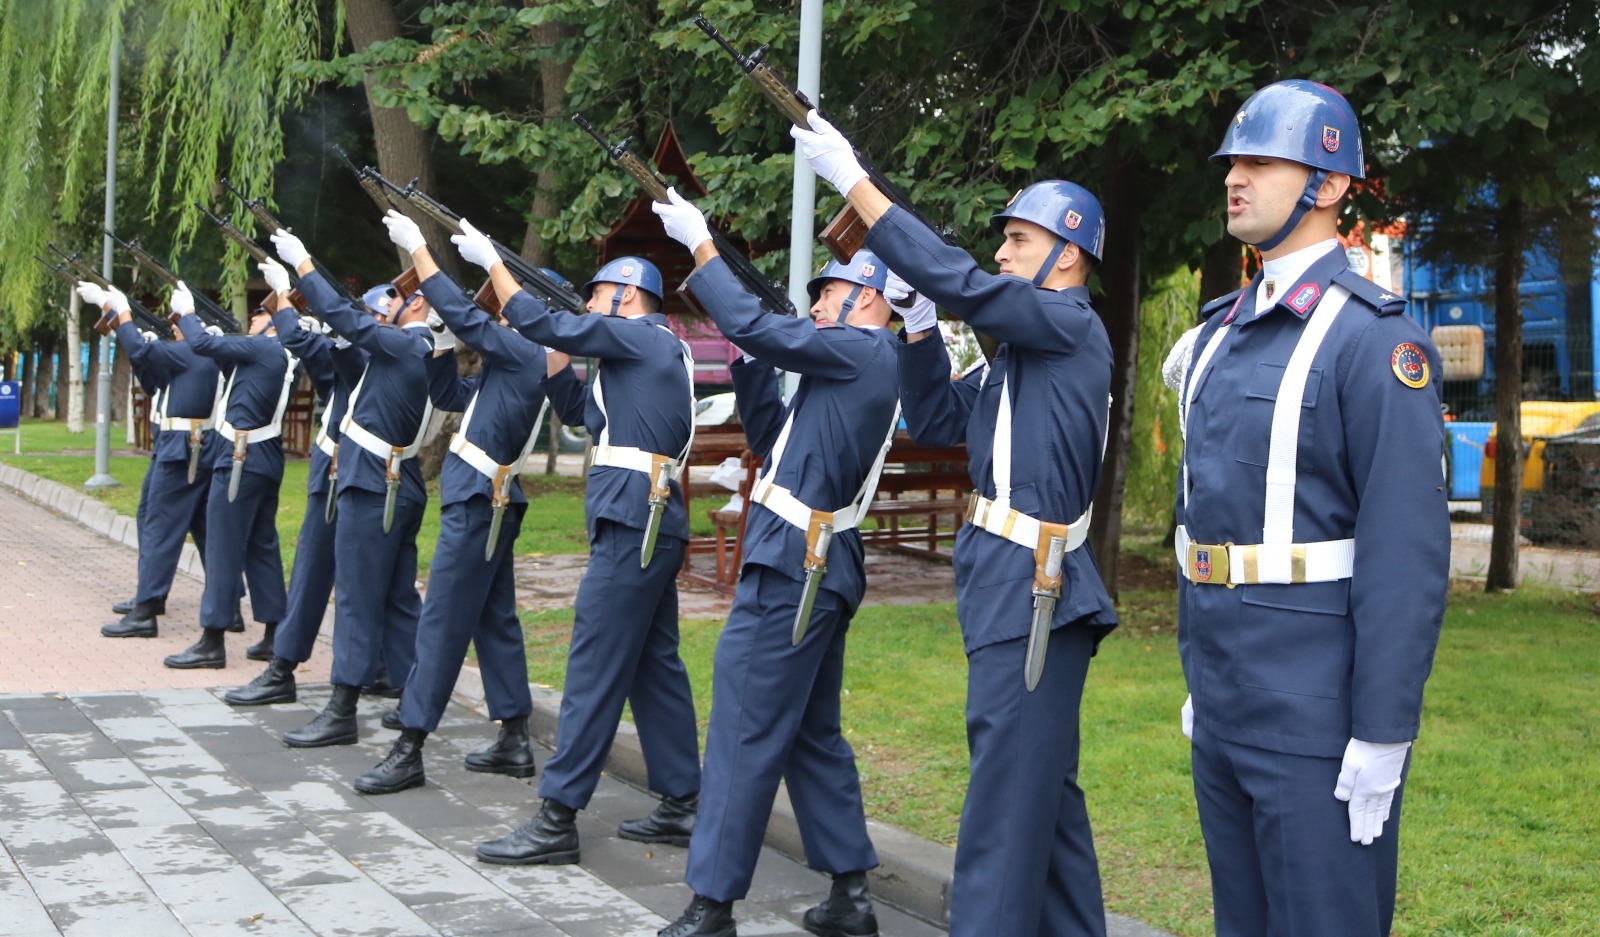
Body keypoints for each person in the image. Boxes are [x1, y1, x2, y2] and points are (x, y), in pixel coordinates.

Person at [794, 112, 1120, 936]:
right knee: (1041, 792)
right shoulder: (1022, 352)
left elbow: (971, 285)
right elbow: (939, 417)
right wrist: (914, 323)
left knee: (1003, 812)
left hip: (1034, 586)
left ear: (1067, 253)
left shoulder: (1069, 325)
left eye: (1017, 238)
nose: (1003, 253)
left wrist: (857, 189)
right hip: (1004, 578)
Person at [1170, 79, 1449, 937]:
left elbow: (1406, 552)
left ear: (1328, 185)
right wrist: (1202, 683)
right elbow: (1212, 518)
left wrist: (1383, 730)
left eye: (1261, 162)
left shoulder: (1375, 339)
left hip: (1315, 717)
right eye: (1232, 162)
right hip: (1224, 698)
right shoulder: (1221, 331)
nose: (1235, 178)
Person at [648, 188, 907, 937]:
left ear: (867, 299)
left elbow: (762, 323)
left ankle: (713, 902)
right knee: (806, 731)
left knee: (742, 726)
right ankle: (850, 891)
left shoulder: (863, 348)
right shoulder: (849, 366)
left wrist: (704, 246)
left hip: (796, 564)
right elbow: (775, 432)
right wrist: (752, 351)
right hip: (812, 561)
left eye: (827, 293)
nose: (817, 306)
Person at [465, 229, 701, 867]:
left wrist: (495, 261)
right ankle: (682, 800)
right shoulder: (636, 357)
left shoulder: (645, 337)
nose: (590, 305)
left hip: (635, 523)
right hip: (641, 520)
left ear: (627, 295)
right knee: (654, 667)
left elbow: (554, 324)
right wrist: (554, 356)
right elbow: (581, 413)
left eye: (598, 295)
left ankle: (558, 815)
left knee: (594, 668)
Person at [351, 210, 551, 794]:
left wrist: (421, 253)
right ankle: (514, 735)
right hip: (488, 499)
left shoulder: (525, 350)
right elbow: (452, 392)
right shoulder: (517, 359)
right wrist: (439, 345)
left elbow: (467, 315)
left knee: (440, 622)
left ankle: (410, 745)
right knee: (494, 619)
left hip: (479, 503)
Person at [271, 229, 432, 748]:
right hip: (391, 485)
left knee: (359, 600)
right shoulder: (409, 347)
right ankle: (412, 699)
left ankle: (342, 709)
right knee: (397, 599)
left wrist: (302, 264)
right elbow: (344, 338)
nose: (383, 308)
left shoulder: (407, 344)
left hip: (374, 486)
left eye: (394, 300)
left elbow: (346, 322)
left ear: (418, 307)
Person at [224, 268, 372, 706]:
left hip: (354, 475)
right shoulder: (365, 352)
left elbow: (312, 342)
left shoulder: (377, 351)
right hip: (341, 470)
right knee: (333, 577)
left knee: (337, 579)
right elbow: (312, 347)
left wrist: (295, 290)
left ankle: (319, 673)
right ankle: (295, 665)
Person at [78, 283, 226, 640]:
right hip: (182, 446)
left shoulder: (193, 351)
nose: (173, 326)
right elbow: (151, 375)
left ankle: (147, 610)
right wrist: (119, 319)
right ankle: (222, 602)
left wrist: (120, 311)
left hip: (183, 448)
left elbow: (143, 350)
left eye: (179, 321)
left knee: (160, 527)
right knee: (179, 524)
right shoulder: (190, 352)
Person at [164, 285, 297, 670]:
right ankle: (275, 633)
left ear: (273, 321)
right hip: (263, 456)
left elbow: (201, 345)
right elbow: (230, 368)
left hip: (240, 458)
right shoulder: (279, 353)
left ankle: (212, 639)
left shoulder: (265, 346)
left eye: (259, 313)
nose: (252, 319)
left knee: (223, 548)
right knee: (261, 546)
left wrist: (187, 312)